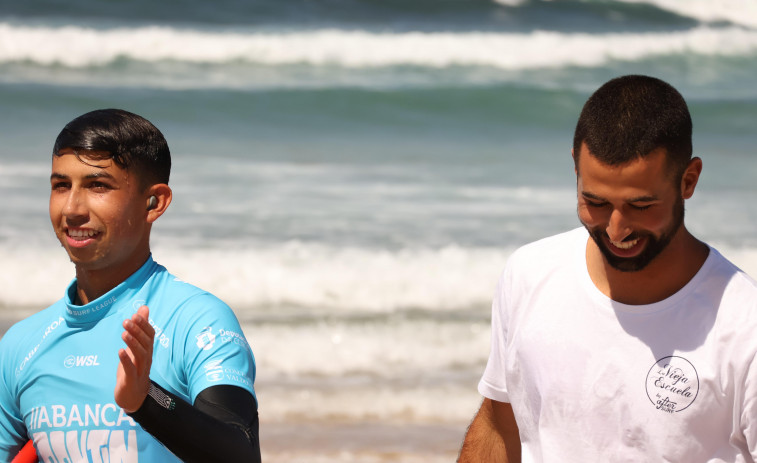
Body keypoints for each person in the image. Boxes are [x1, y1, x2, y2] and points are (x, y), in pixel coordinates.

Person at [458, 75, 757, 462]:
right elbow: (500, 426)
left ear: (688, 180)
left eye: (641, 206)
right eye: (595, 202)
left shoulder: (744, 325)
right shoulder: (530, 274)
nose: (617, 230)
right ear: (575, 168)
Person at [0, 109, 261, 462]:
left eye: (97, 186)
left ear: (154, 202)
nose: (72, 209)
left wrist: (146, 400)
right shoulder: (22, 345)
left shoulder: (198, 321)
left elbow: (240, 451)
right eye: (61, 186)